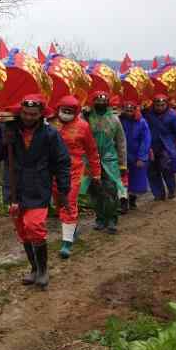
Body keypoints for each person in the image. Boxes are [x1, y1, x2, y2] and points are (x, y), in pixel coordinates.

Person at [0, 95, 71, 291]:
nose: (28, 117)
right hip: (14, 187)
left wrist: (64, 190)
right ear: (20, 111)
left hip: (38, 188)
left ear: (41, 114)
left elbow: (62, 162)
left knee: (34, 226)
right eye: (25, 113)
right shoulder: (6, 128)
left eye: (33, 114)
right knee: (23, 231)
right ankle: (34, 269)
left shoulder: (50, 134)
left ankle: (43, 270)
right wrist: (3, 143)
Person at [49, 95, 101, 258]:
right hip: (53, 170)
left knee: (68, 202)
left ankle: (66, 243)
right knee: (58, 202)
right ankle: (71, 227)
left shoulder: (83, 127)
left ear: (76, 112)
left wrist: (96, 172)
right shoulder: (50, 124)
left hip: (74, 170)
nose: (66, 114)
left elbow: (92, 151)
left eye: (69, 111)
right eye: (63, 110)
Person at [85, 91, 127, 232]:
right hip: (91, 161)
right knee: (95, 191)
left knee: (110, 190)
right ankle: (100, 219)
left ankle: (112, 220)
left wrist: (122, 163)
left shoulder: (115, 119)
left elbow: (121, 142)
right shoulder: (87, 117)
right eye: (97, 101)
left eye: (104, 101)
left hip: (110, 160)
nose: (101, 104)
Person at [143, 94, 176, 201]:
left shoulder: (172, 115)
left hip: (167, 147)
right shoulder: (147, 114)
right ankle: (158, 194)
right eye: (157, 105)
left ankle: (171, 190)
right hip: (151, 146)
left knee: (167, 168)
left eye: (162, 105)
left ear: (166, 104)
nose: (160, 107)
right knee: (152, 171)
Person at [119, 100, 151, 210]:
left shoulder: (141, 122)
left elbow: (145, 140)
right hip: (122, 154)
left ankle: (132, 198)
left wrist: (142, 157)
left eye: (131, 110)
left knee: (135, 178)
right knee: (122, 177)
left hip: (136, 154)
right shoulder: (119, 120)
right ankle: (123, 201)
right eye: (126, 110)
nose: (128, 112)